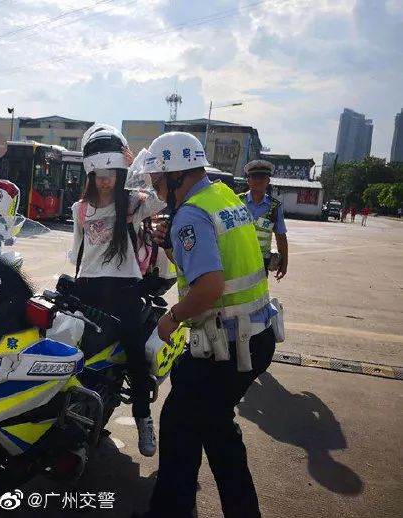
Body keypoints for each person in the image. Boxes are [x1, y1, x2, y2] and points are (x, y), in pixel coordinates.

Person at [137, 131, 276, 518]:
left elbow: (210, 287)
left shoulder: (191, 215)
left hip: (226, 346)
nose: (156, 188)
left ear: (178, 175)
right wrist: (172, 244)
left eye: (159, 180)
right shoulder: (223, 197)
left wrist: (171, 318)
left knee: (181, 425)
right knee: (215, 429)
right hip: (254, 336)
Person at [68, 123, 166, 457]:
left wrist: (135, 163)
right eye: (99, 173)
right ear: (90, 174)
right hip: (87, 287)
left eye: (112, 171)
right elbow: (76, 254)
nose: (105, 179)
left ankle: (142, 417)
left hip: (124, 288)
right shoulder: (80, 209)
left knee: (135, 352)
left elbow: (159, 199)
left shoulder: (132, 203)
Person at [241, 160, 288, 279]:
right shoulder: (236, 202)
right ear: (248, 180)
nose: (258, 180)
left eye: (262, 177)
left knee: (258, 293)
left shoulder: (275, 207)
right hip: (238, 258)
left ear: (268, 181)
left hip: (262, 261)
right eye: (254, 177)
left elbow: (280, 236)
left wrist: (284, 263)